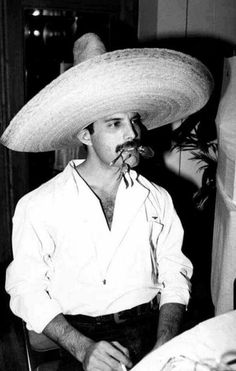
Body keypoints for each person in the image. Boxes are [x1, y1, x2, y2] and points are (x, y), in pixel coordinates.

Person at [1, 33, 213, 370]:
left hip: (150, 331)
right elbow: (25, 288)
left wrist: (166, 337)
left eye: (134, 120)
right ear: (85, 135)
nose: (131, 134)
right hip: (81, 340)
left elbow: (175, 272)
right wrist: (83, 349)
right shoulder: (39, 205)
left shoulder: (157, 198)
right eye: (114, 124)